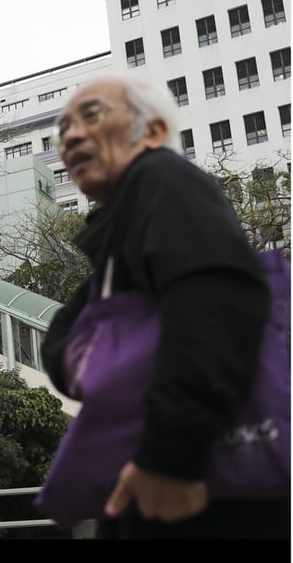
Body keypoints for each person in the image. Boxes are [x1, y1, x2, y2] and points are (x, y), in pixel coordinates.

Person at [39, 75, 290, 539]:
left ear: (152, 132)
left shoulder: (161, 178)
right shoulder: (123, 226)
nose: (70, 136)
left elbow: (220, 297)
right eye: (63, 128)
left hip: (198, 494)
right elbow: (63, 345)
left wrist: (170, 457)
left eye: (90, 116)